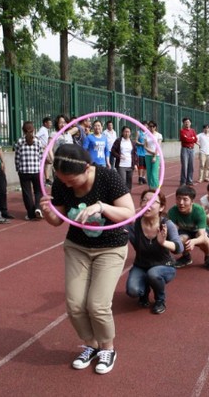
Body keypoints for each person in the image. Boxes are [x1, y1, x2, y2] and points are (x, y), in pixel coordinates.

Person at [39, 143, 134, 375]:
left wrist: (101, 207)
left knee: (98, 305)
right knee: (74, 305)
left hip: (110, 247)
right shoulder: (63, 182)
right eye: (63, 180)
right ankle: (90, 345)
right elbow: (58, 220)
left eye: (72, 180)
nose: (67, 184)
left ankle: (107, 348)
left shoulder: (108, 177)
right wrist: (48, 212)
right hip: (77, 246)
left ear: (87, 168)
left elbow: (129, 213)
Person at [126, 190, 182, 315]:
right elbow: (116, 228)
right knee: (133, 291)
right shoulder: (133, 224)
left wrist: (163, 243)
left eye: (152, 202)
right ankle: (144, 290)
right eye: (144, 200)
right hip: (141, 265)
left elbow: (179, 248)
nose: (147, 204)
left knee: (153, 273)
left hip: (164, 266)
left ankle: (160, 300)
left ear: (161, 207)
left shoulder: (167, 224)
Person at [168, 185, 209, 272]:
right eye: (178, 198)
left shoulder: (198, 211)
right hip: (185, 231)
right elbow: (170, 230)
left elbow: (202, 236)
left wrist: (194, 241)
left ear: (192, 201)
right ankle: (186, 257)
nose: (181, 202)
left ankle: (208, 257)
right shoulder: (172, 211)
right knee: (178, 239)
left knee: (204, 239)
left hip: (199, 231)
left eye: (185, 199)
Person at [14, 121, 44, 221]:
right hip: (36, 170)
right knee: (38, 191)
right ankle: (38, 208)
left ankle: (30, 214)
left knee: (27, 192)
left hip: (24, 171)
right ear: (33, 129)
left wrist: (18, 168)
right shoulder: (38, 141)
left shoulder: (19, 141)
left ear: (23, 130)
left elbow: (17, 157)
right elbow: (41, 156)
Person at [110, 126, 138, 191]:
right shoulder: (118, 141)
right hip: (121, 165)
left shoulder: (132, 142)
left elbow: (135, 154)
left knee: (129, 182)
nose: (127, 133)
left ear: (130, 133)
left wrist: (136, 164)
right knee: (122, 181)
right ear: (122, 132)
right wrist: (119, 156)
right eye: (125, 132)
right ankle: (122, 195)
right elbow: (113, 151)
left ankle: (128, 195)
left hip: (130, 165)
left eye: (128, 132)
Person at [179, 117, 198, 186]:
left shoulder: (192, 130)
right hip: (185, 149)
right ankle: (183, 181)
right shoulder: (182, 131)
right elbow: (185, 139)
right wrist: (191, 138)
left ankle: (189, 181)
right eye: (185, 122)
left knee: (191, 166)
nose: (187, 123)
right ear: (183, 123)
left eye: (188, 122)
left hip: (192, 149)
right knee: (184, 166)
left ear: (190, 123)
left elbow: (195, 139)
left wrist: (191, 138)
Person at [144, 121, 162, 191]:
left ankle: (156, 188)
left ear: (155, 127)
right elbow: (145, 146)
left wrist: (154, 155)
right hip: (148, 155)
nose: (151, 128)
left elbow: (158, 146)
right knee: (149, 172)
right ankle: (150, 187)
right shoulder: (146, 135)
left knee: (154, 173)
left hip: (156, 156)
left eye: (153, 126)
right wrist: (152, 152)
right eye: (150, 126)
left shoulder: (159, 135)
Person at [37, 116, 52, 185]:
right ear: (45, 123)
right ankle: (43, 179)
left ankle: (47, 179)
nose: (51, 124)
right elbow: (36, 136)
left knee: (48, 163)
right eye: (49, 123)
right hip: (43, 150)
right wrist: (41, 146)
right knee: (45, 163)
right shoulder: (42, 129)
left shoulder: (46, 130)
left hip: (46, 149)